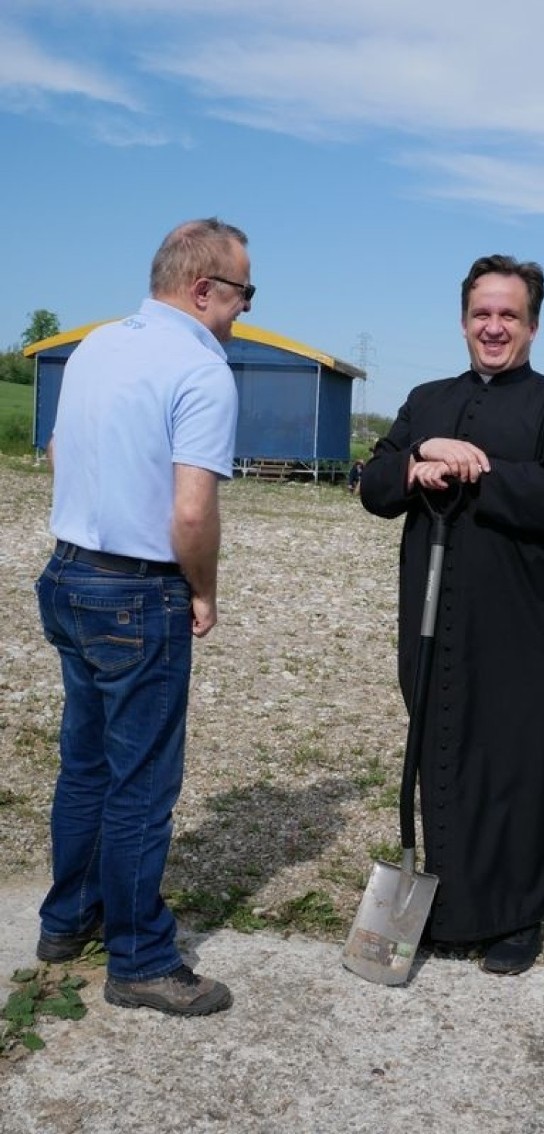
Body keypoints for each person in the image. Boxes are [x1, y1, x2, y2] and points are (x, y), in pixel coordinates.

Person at [359, 254, 544, 976]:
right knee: (441, 750)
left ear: (532, 325)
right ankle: (453, 904)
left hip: (525, 616)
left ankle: (517, 914)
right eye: (481, 314)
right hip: (429, 608)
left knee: (518, 760)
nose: (494, 328)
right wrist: (418, 459)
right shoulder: (427, 399)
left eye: (509, 316)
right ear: (463, 320)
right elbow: (374, 482)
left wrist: (472, 468)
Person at [35, 217, 251, 1016]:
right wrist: (203, 591)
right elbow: (193, 513)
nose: (241, 311)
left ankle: (66, 921)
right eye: (241, 293)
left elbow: (59, 449)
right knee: (141, 781)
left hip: (68, 575)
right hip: (137, 590)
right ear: (203, 290)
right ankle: (141, 959)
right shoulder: (201, 369)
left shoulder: (97, 345)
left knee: (85, 763)